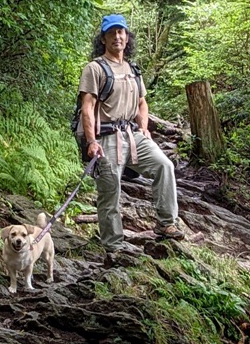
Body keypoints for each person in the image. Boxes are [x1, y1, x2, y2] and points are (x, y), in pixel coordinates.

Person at [78, 13, 184, 258]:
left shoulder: (133, 69)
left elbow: (142, 102)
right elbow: (87, 106)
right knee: (110, 188)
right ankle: (113, 247)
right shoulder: (95, 69)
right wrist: (91, 141)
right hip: (106, 137)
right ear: (103, 39)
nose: (117, 36)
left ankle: (166, 222)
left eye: (121, 32)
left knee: (164, 165)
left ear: (127, 37)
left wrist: (144, 127)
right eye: (112, 33)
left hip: (132, 134)